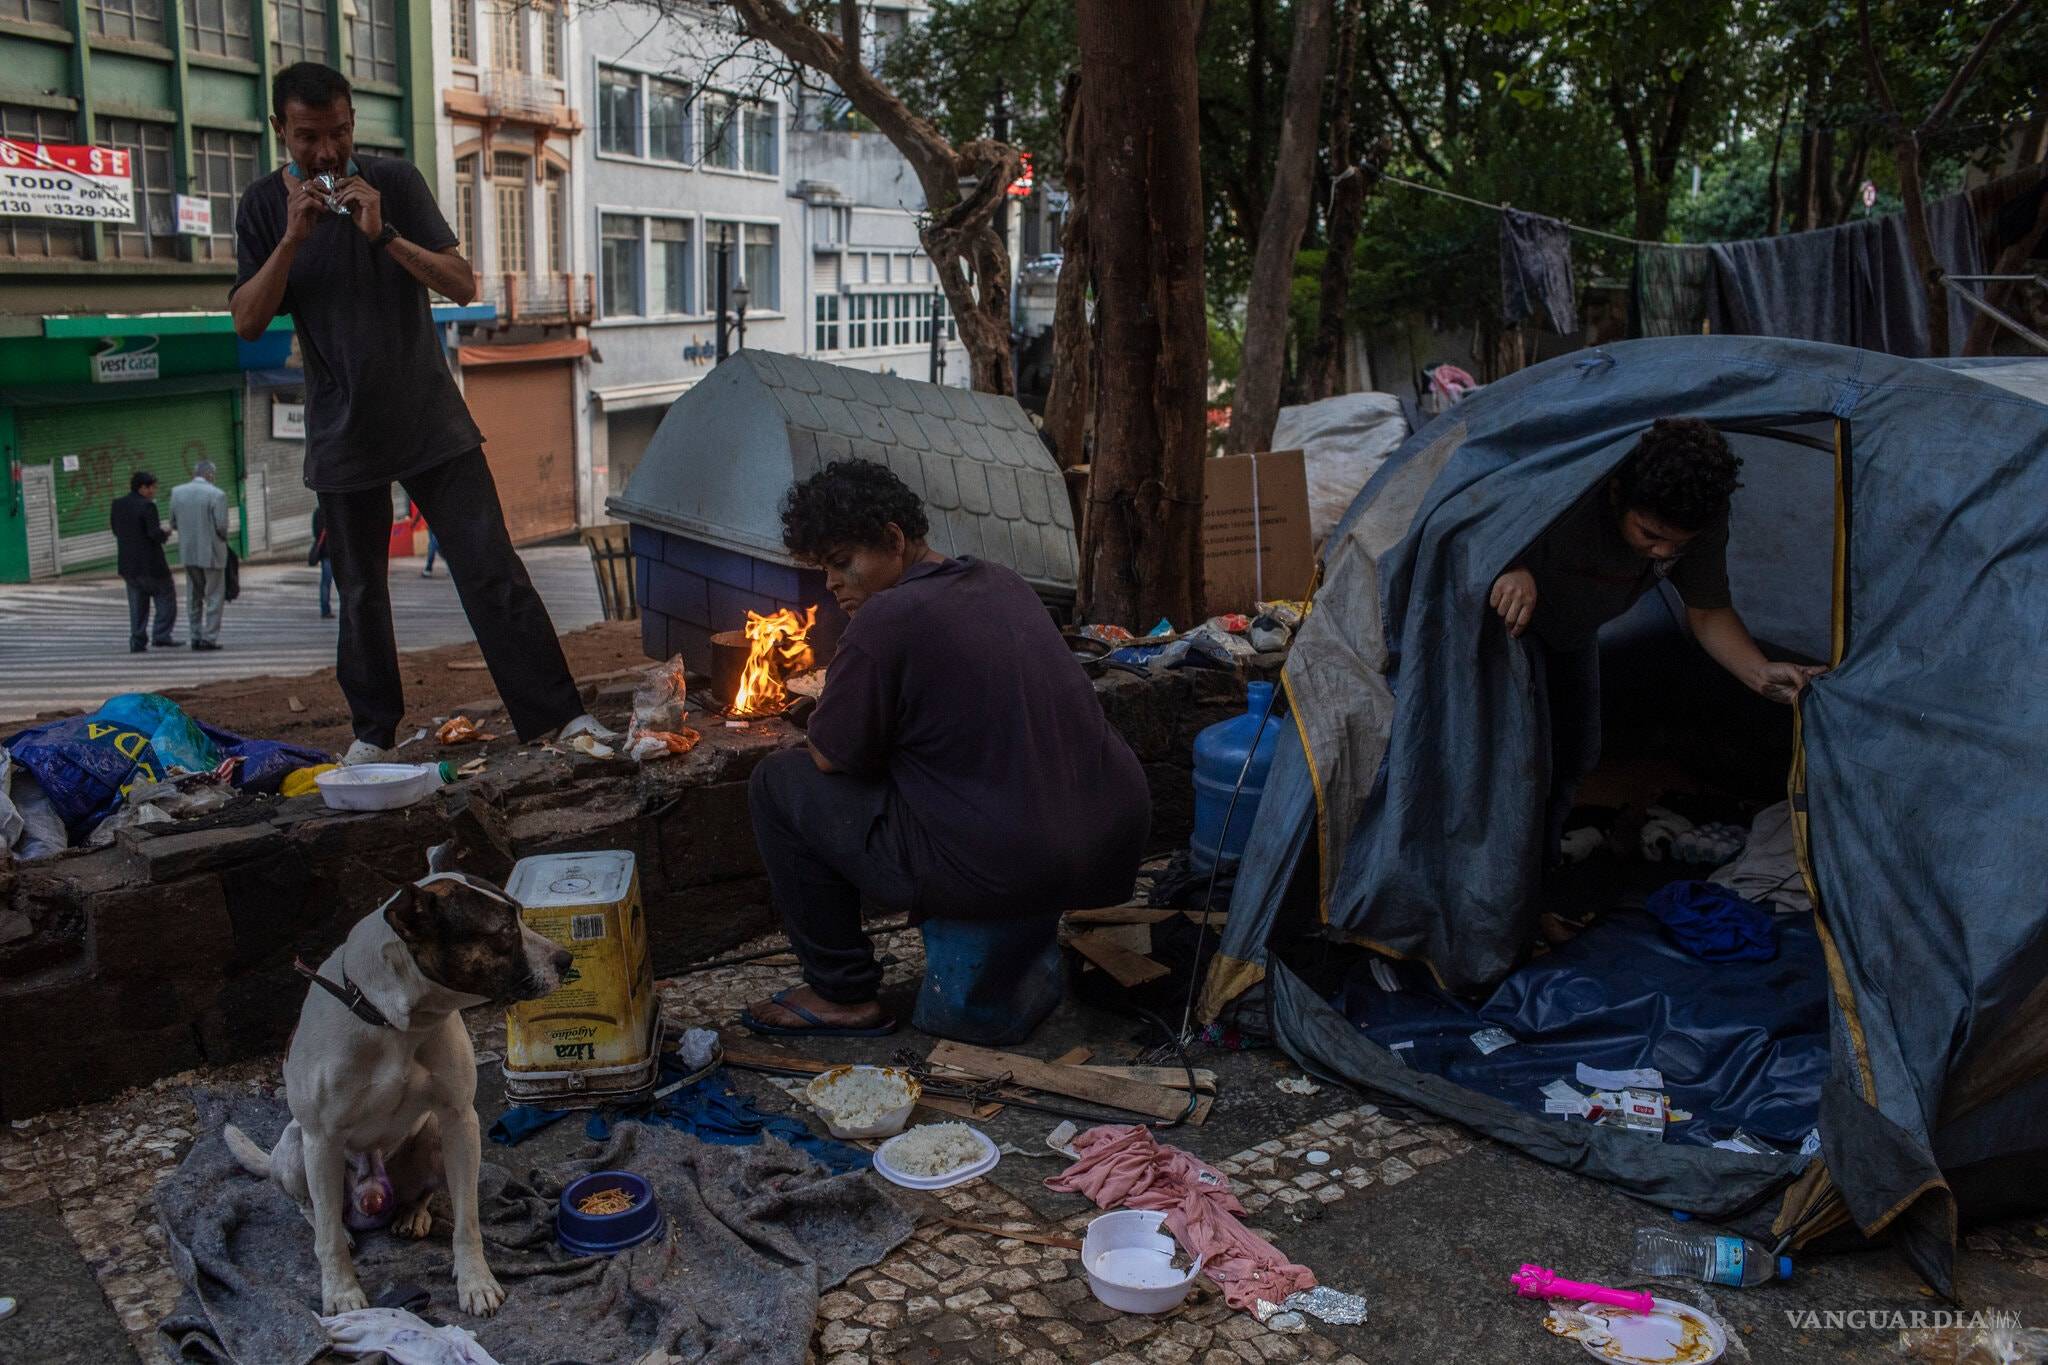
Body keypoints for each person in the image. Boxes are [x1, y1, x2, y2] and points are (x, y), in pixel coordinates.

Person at [229, 62, 611, 764]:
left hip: (432, 420)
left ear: (353, 124)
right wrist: (291, 240)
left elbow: (462, 284)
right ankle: (373, 736)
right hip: (342, 433)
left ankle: (559, 718)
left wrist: (384, 235)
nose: (327, 152)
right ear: (281, 130)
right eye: (309, 137)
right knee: (361, 595)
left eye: (339, 133)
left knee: (492, 570)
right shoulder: (260, 207)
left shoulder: (395, 182)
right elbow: (248, 322)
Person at [740, 460, 1151, 1036]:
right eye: (824, 568)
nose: (832, 583)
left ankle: (840, 991)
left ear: (893, 539)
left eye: (841, 562)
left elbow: (831, 756)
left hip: (1008, 865)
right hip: (1109, 842)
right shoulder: (1002, 581)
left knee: (777, 781)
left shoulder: (885, 618)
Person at [1488, 418, 1825, 863]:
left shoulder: (1697, 520)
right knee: (1510, 769)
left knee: (1572, 756)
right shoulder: (1572, 488)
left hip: (1572, 633)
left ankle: (1539, 877)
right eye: (1650, 534)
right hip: (1499, 636)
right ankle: (1491, 892)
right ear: (1616, 495)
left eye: (1678, 544)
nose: (1664, 553)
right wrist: (1508, 561)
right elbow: (1473, 515)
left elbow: (1707, 611)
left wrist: (1759, 673)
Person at [167, 460, 232, 651]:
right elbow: (222, 526)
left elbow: (173, 523)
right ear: (210, 474)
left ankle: (195, 635)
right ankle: (209, 637)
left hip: (188, 552)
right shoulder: (217, 494)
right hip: (212, 552)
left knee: (193, 595)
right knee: (214, 596)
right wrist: (222, 539)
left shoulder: (177, 492)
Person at [109, 469, 176, 653]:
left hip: (128, 564)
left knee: (137, 604)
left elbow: (115, 530)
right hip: (151, 563)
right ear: (142, 488)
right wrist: (165, 533)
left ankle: (137, 640)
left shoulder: (118, 504)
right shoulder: (147, 506)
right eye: (151, 487)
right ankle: (161, 635)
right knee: (165, 595)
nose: (153, 491)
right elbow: (153, 533)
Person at [309, 505, 334, 618]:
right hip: (333, 552)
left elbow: (316, 533)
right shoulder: (333, 511)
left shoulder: (318, 512)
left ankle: (325, 609)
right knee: (329, 582)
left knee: (325, 582)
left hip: (326, 552)